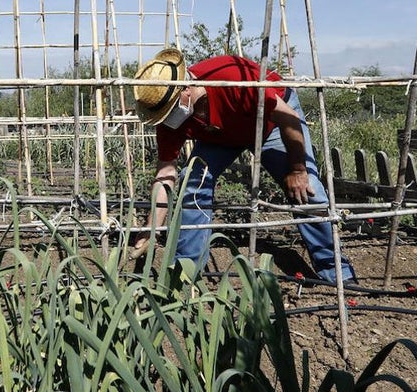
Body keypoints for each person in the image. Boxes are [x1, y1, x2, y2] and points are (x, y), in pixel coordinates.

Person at [131, 47, 356, 284]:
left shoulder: (232, 79)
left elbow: (289, 118)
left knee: (307, 190)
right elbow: (166, 171)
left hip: (273, 125)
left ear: (186, 87)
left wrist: (298, 170)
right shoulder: (168, 117)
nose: (168, 119)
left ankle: (335, 271)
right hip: (220, 138)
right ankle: (186, 272)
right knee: (193, 186)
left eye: (170, 111)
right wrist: (151, 228)